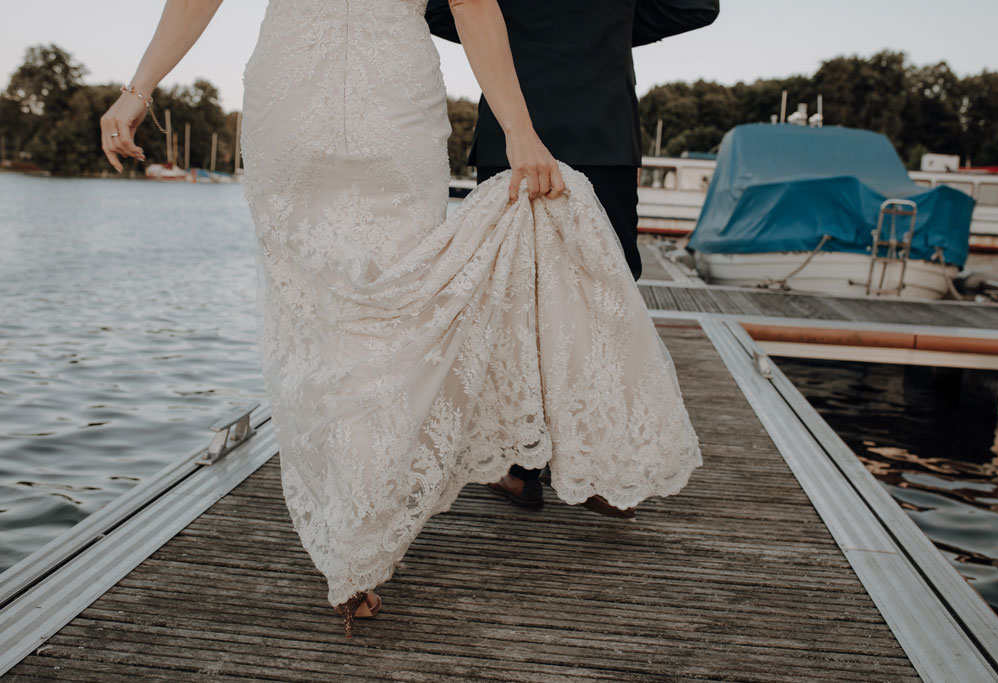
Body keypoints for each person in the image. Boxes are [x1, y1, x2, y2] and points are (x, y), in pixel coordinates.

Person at [100, 0, 703, 638]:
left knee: (309, 323)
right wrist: (521, 131)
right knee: (391, 322)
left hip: (289, 97)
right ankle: (360, 543)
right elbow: (472, 5)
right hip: (395, 101)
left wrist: (138, 90)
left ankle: (347, 533)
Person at [426, 0, 720, 515]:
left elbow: (439, 10)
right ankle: (606, 472)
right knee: (608, 295)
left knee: (512, 300)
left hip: (510, 131)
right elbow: (697, 6)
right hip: (600, 124)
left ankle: (520, 470)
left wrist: (509, 29)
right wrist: (610, 24)